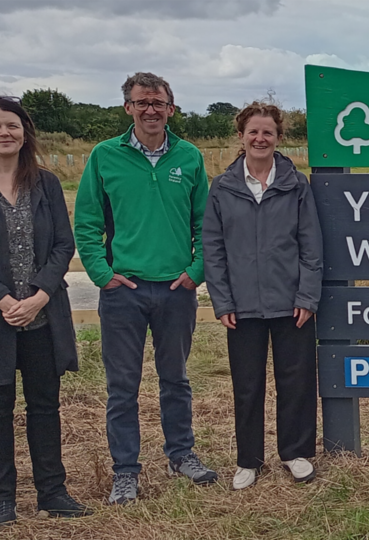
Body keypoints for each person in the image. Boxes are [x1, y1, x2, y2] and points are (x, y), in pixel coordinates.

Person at [0, 95, 91, 526]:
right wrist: (5, 300)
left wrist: (41, 293)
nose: (4, 133)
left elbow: (65, 244)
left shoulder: (44, 183)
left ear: (24, 132)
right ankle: (3, 498)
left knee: (45, 406)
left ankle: (53, 492)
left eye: (12, 125)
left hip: (43, 316)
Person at [74, 72, 216, 505]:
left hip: (176, 289)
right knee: (123, 387)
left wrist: (197, 270)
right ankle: (125, 472)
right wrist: (102, 273)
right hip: (124, 292)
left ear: (172, 108)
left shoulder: (189, 157)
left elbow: (205, 224)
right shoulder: (104, 156)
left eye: (159, 102)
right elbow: (87, 221)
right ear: (128, 108)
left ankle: (182, 455)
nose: (151, 110)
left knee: (176, 378)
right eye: (142, 102)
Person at [203, 102, 323, 490]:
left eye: (267, 132)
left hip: (292, 304)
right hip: (242, 306)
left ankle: (296, 453)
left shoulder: (296, 184)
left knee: (297, 380)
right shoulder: (222, 188)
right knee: (248, 384)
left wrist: (307, 296)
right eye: (253, 131)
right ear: (241, 136)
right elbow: (213, 248)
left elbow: (311, 246)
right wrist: (222, 300)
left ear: (278, 138)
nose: (260, 138)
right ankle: (248, 460)